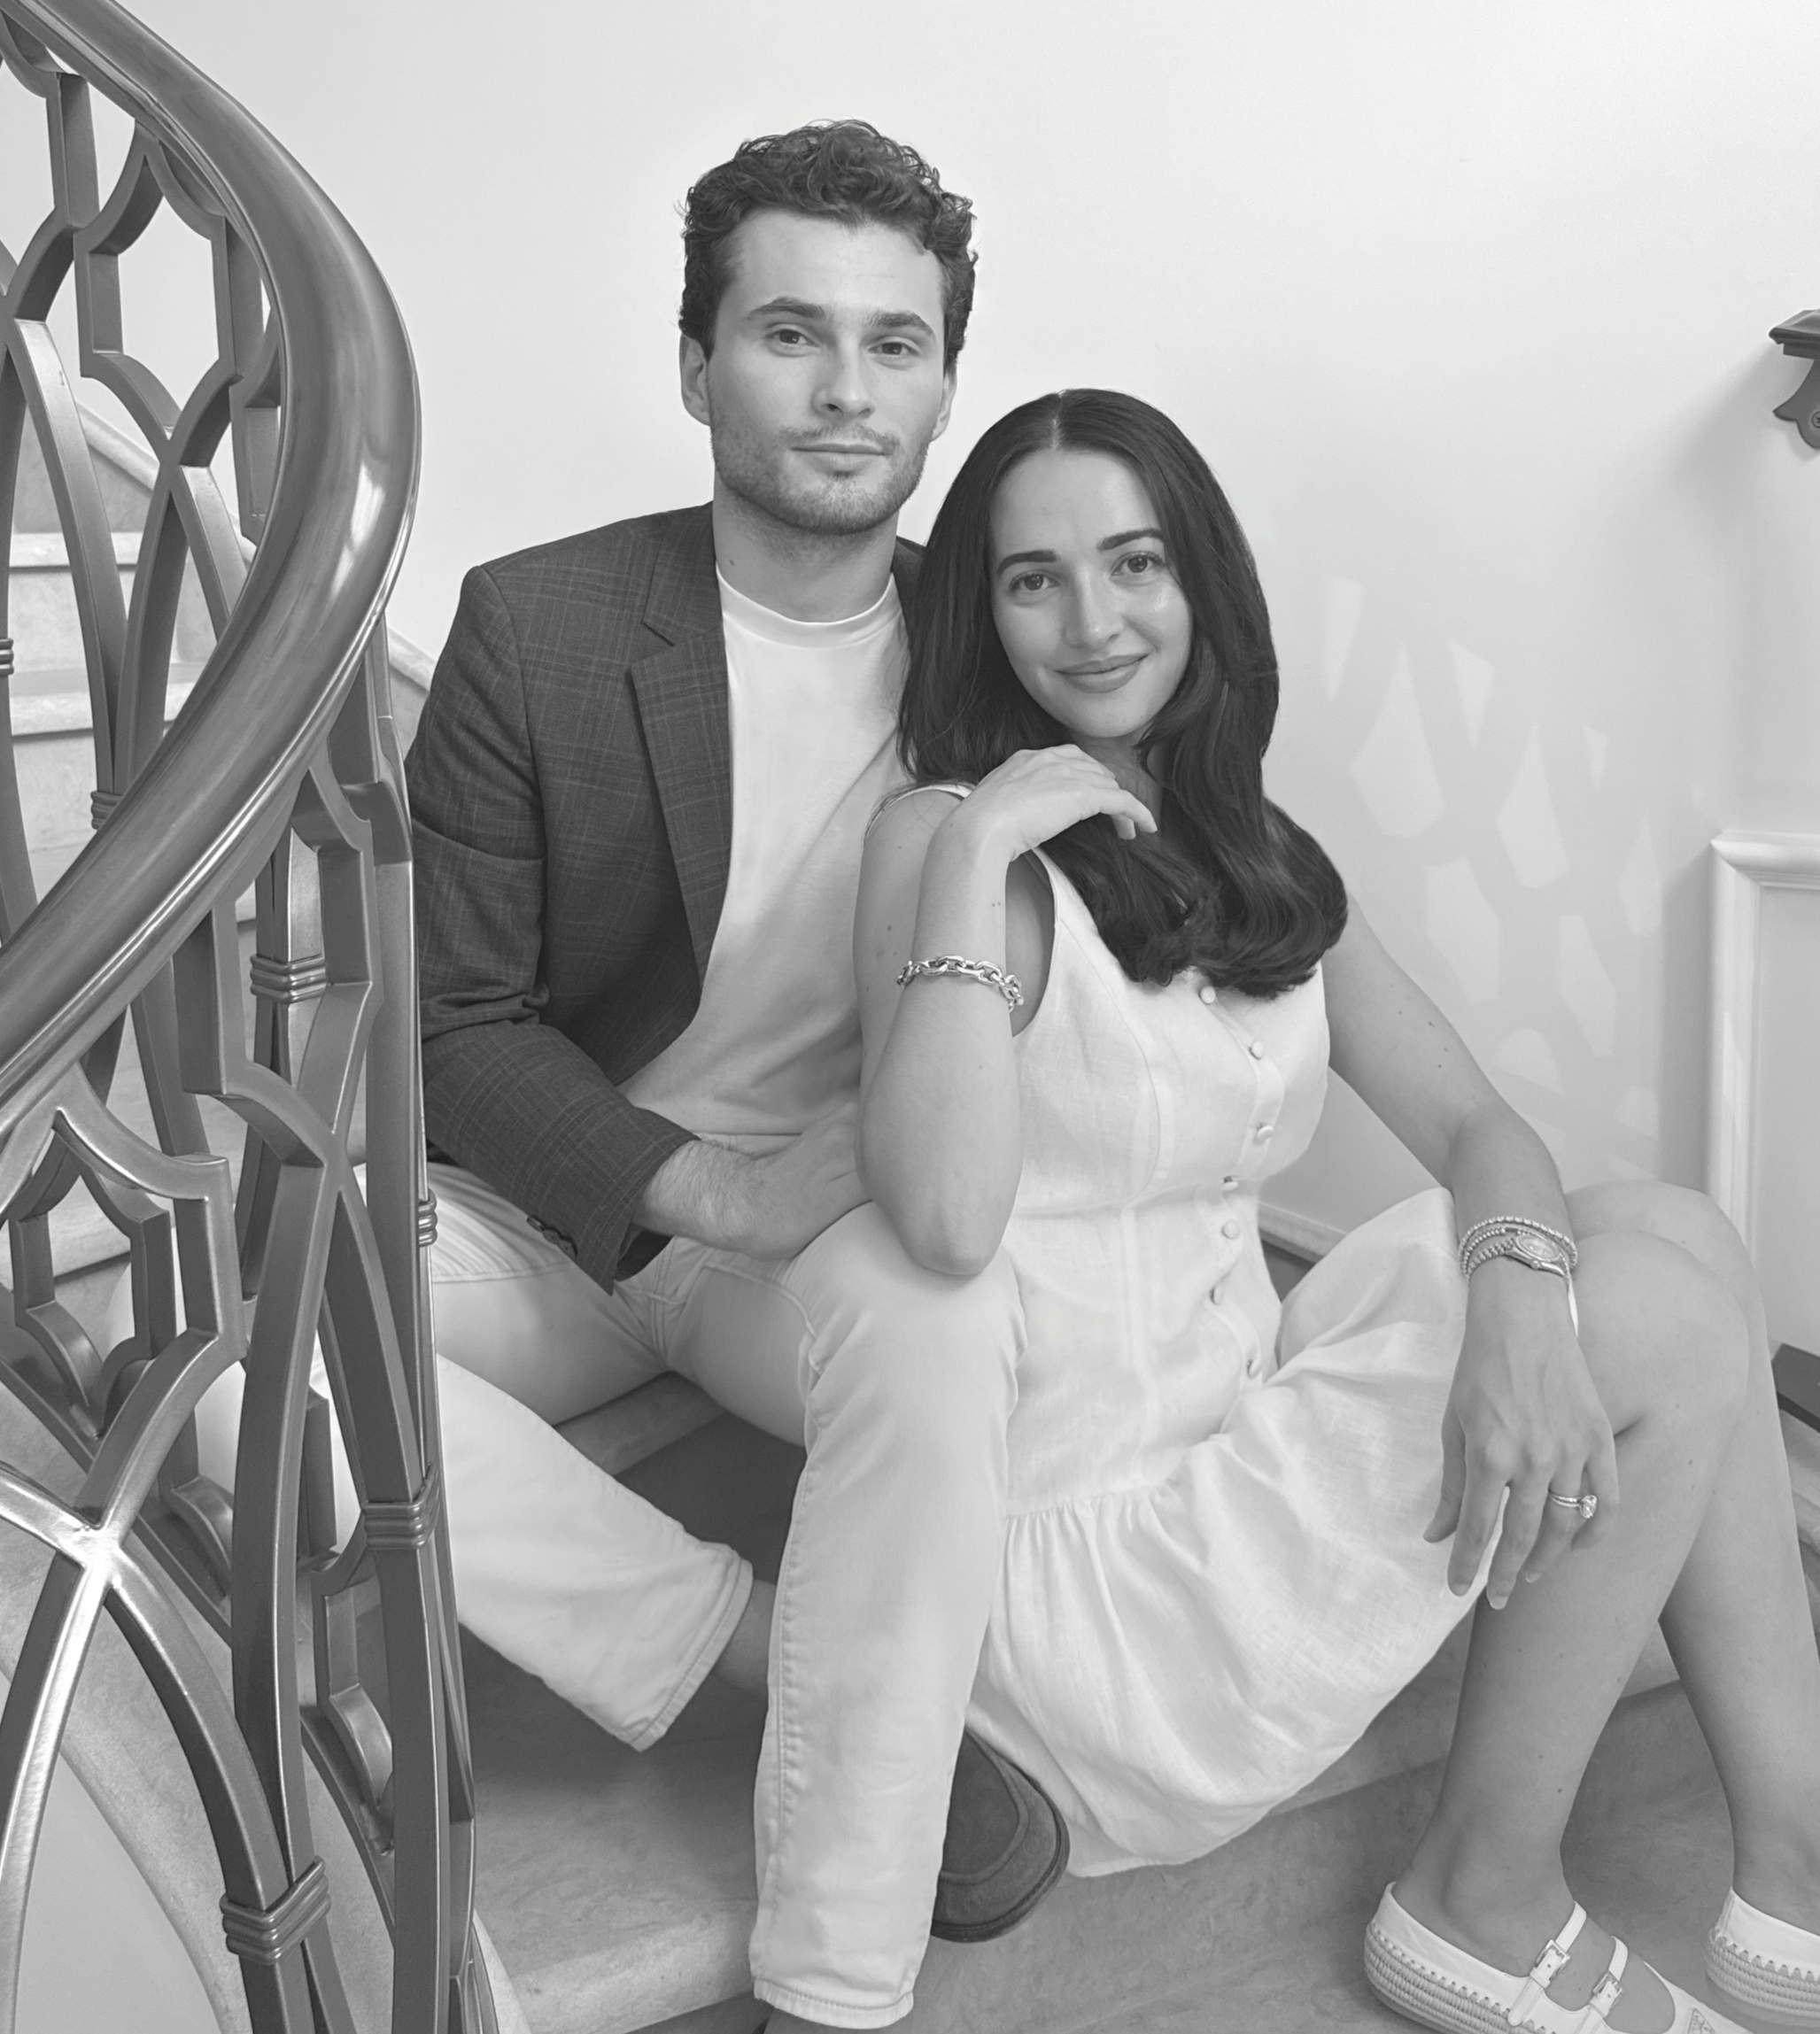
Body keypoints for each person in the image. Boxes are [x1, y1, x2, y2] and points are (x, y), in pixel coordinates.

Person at [847, 385, 1820, 2034]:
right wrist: (976, 837)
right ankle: (1478, 1903)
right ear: (979, 616)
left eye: (1134, 563)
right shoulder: (948, 846)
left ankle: (1795, 1872)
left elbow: (1478, 1126)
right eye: (1031, 580)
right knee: (1654, 1320)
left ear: (1199, 586)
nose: (1092, 621)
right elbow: (938, 1220)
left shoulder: (1249, 847)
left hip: (1238, 1415)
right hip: (1091, 1570)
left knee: (1673, 1239)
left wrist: (1517, 1304)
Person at [407, 124, 1065, 2031]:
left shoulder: (1003, 645)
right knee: (231, 1370)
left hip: (820, 1226)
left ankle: (835, 1989)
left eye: (897, 341)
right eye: (790, 331)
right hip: (554, 1204)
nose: (848, 388)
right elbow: (449, 1022)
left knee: (941, 1334)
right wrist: (701, 1185)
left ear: (947, 376)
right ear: (695, 361)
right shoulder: (538, 625)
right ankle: (787, 1652)